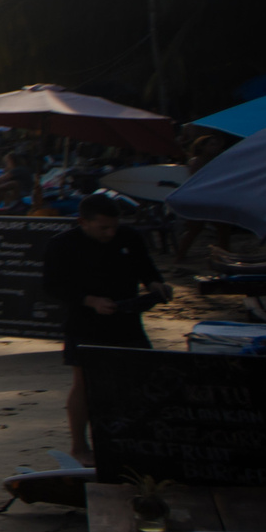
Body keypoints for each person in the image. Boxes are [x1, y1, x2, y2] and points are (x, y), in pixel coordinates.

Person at [41, 194, 168, 464]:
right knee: (84, 383)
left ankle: (140, 439)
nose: (111, 232)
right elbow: (52, 286)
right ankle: (79, 445)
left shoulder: (129, 237)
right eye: (103, 228)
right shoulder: (62, 245)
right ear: (83, 222)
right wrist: (90, 300)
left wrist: (156, 285)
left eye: (114, 226)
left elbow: (146, 269)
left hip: (127, 317)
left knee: (142, 379)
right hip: (85, 321)